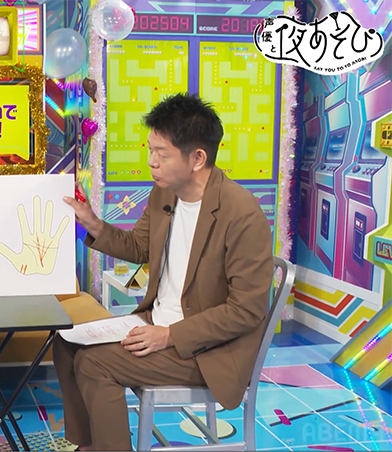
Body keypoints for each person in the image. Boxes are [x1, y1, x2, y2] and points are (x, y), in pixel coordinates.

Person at [58, 93, 274, 451]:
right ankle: (89, 446)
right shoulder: (165, 194)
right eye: (150, 149)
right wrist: (92, 222)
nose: (151, 161)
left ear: (197, 158)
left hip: (209, 352)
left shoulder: (241, 213)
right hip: (156, 323)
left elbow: (247, 310)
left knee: (95, 364)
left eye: (162, 153)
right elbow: (138, 247)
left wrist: (171, 335)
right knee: (66, 343)